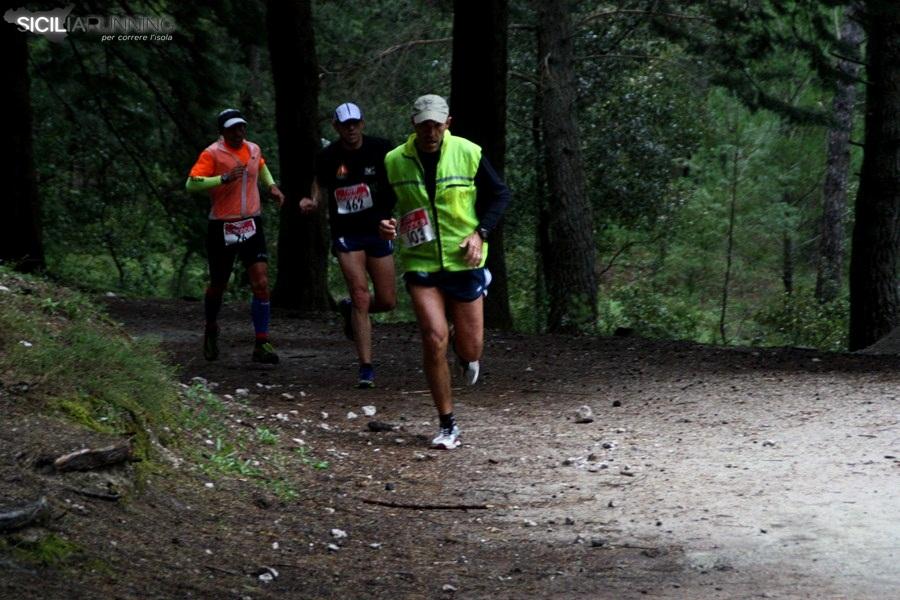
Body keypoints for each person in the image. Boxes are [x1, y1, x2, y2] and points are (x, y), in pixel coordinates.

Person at [379, 94, 510, 450]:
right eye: (424, 125)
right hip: (420, 261)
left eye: (436, 124)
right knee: (434, 337)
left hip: (463, 260)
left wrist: (480, 233)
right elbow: (382, 205)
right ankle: (447, 423)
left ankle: (464, 345)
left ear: (447, 123)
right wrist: (384, 223)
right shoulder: (394, 160)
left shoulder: (469, 152)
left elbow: (500, 195)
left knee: (471, 347)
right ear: (413, 124)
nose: (430, 131)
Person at [300, 103, 396, 388]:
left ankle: (349, 310)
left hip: (378, 230)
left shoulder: (381, 149)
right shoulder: (328, 156)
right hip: (347, 233)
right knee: (361, 295)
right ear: (336, 127)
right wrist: (313, 201)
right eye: (345, 124)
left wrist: (396, 214)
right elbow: (319, 182)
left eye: (355, 123)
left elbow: (398, 179)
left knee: (387, 301)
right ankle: (366, 368)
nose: (351, 128)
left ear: (362, 123)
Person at [185, 108, 285, 364]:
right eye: (232, 129)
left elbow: (260, 166)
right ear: (222, 132)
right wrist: (222, 178)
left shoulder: (253, 149)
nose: (238, 132)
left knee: (261, 282)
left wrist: (271, 186)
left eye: (241, 127)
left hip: (251, 222)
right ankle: (211, 327)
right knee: (218, 284)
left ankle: (261, 342)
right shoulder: (212, 153)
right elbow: (192, 183)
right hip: (222, 225)